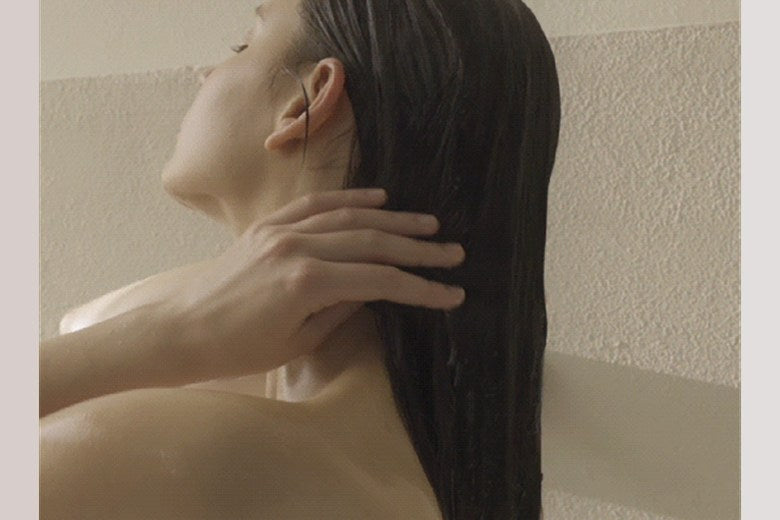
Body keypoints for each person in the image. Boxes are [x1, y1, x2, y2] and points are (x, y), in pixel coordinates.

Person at [40, 0, 560, 518]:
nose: (205, 73)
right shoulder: (398, 474)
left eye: (243, 45)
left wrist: (173, 332)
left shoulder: (165, 456)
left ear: (306, 101)